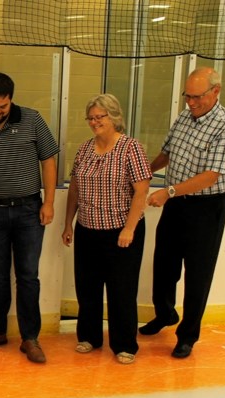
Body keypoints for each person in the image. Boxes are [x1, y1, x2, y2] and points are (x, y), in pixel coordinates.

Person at [141, 67, 225, 359]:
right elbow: (168, 153)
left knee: (198, 274)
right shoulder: (184, 117)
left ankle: (187, 335)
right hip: (177, 204)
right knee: (164, 265)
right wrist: (143, 173)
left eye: (198, 97)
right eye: (188, 96)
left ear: (216, 91)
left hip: (207, 207)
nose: (192, 102)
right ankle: (164, 314)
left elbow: (212, 175)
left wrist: (169, 191)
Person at [0, 72, 59, 364]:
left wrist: (50, 202)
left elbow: (49, 161)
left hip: (30, 210)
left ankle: (30, 338)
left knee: (28, 276)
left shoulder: (32, 120)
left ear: (11, 100)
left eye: (2, 107)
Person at [61, 94, 151, 364]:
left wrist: (129, 228)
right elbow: (75, 188)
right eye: (91, 117)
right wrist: (69, 223)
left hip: (121, 231)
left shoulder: (130, 148)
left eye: (100, 117)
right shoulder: (85, 149)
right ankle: (89, 336)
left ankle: (124, 344)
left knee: (121, 289)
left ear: (114, 117)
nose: (94, 122)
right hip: (88, 229)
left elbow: (141, 190)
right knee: (87, 287)